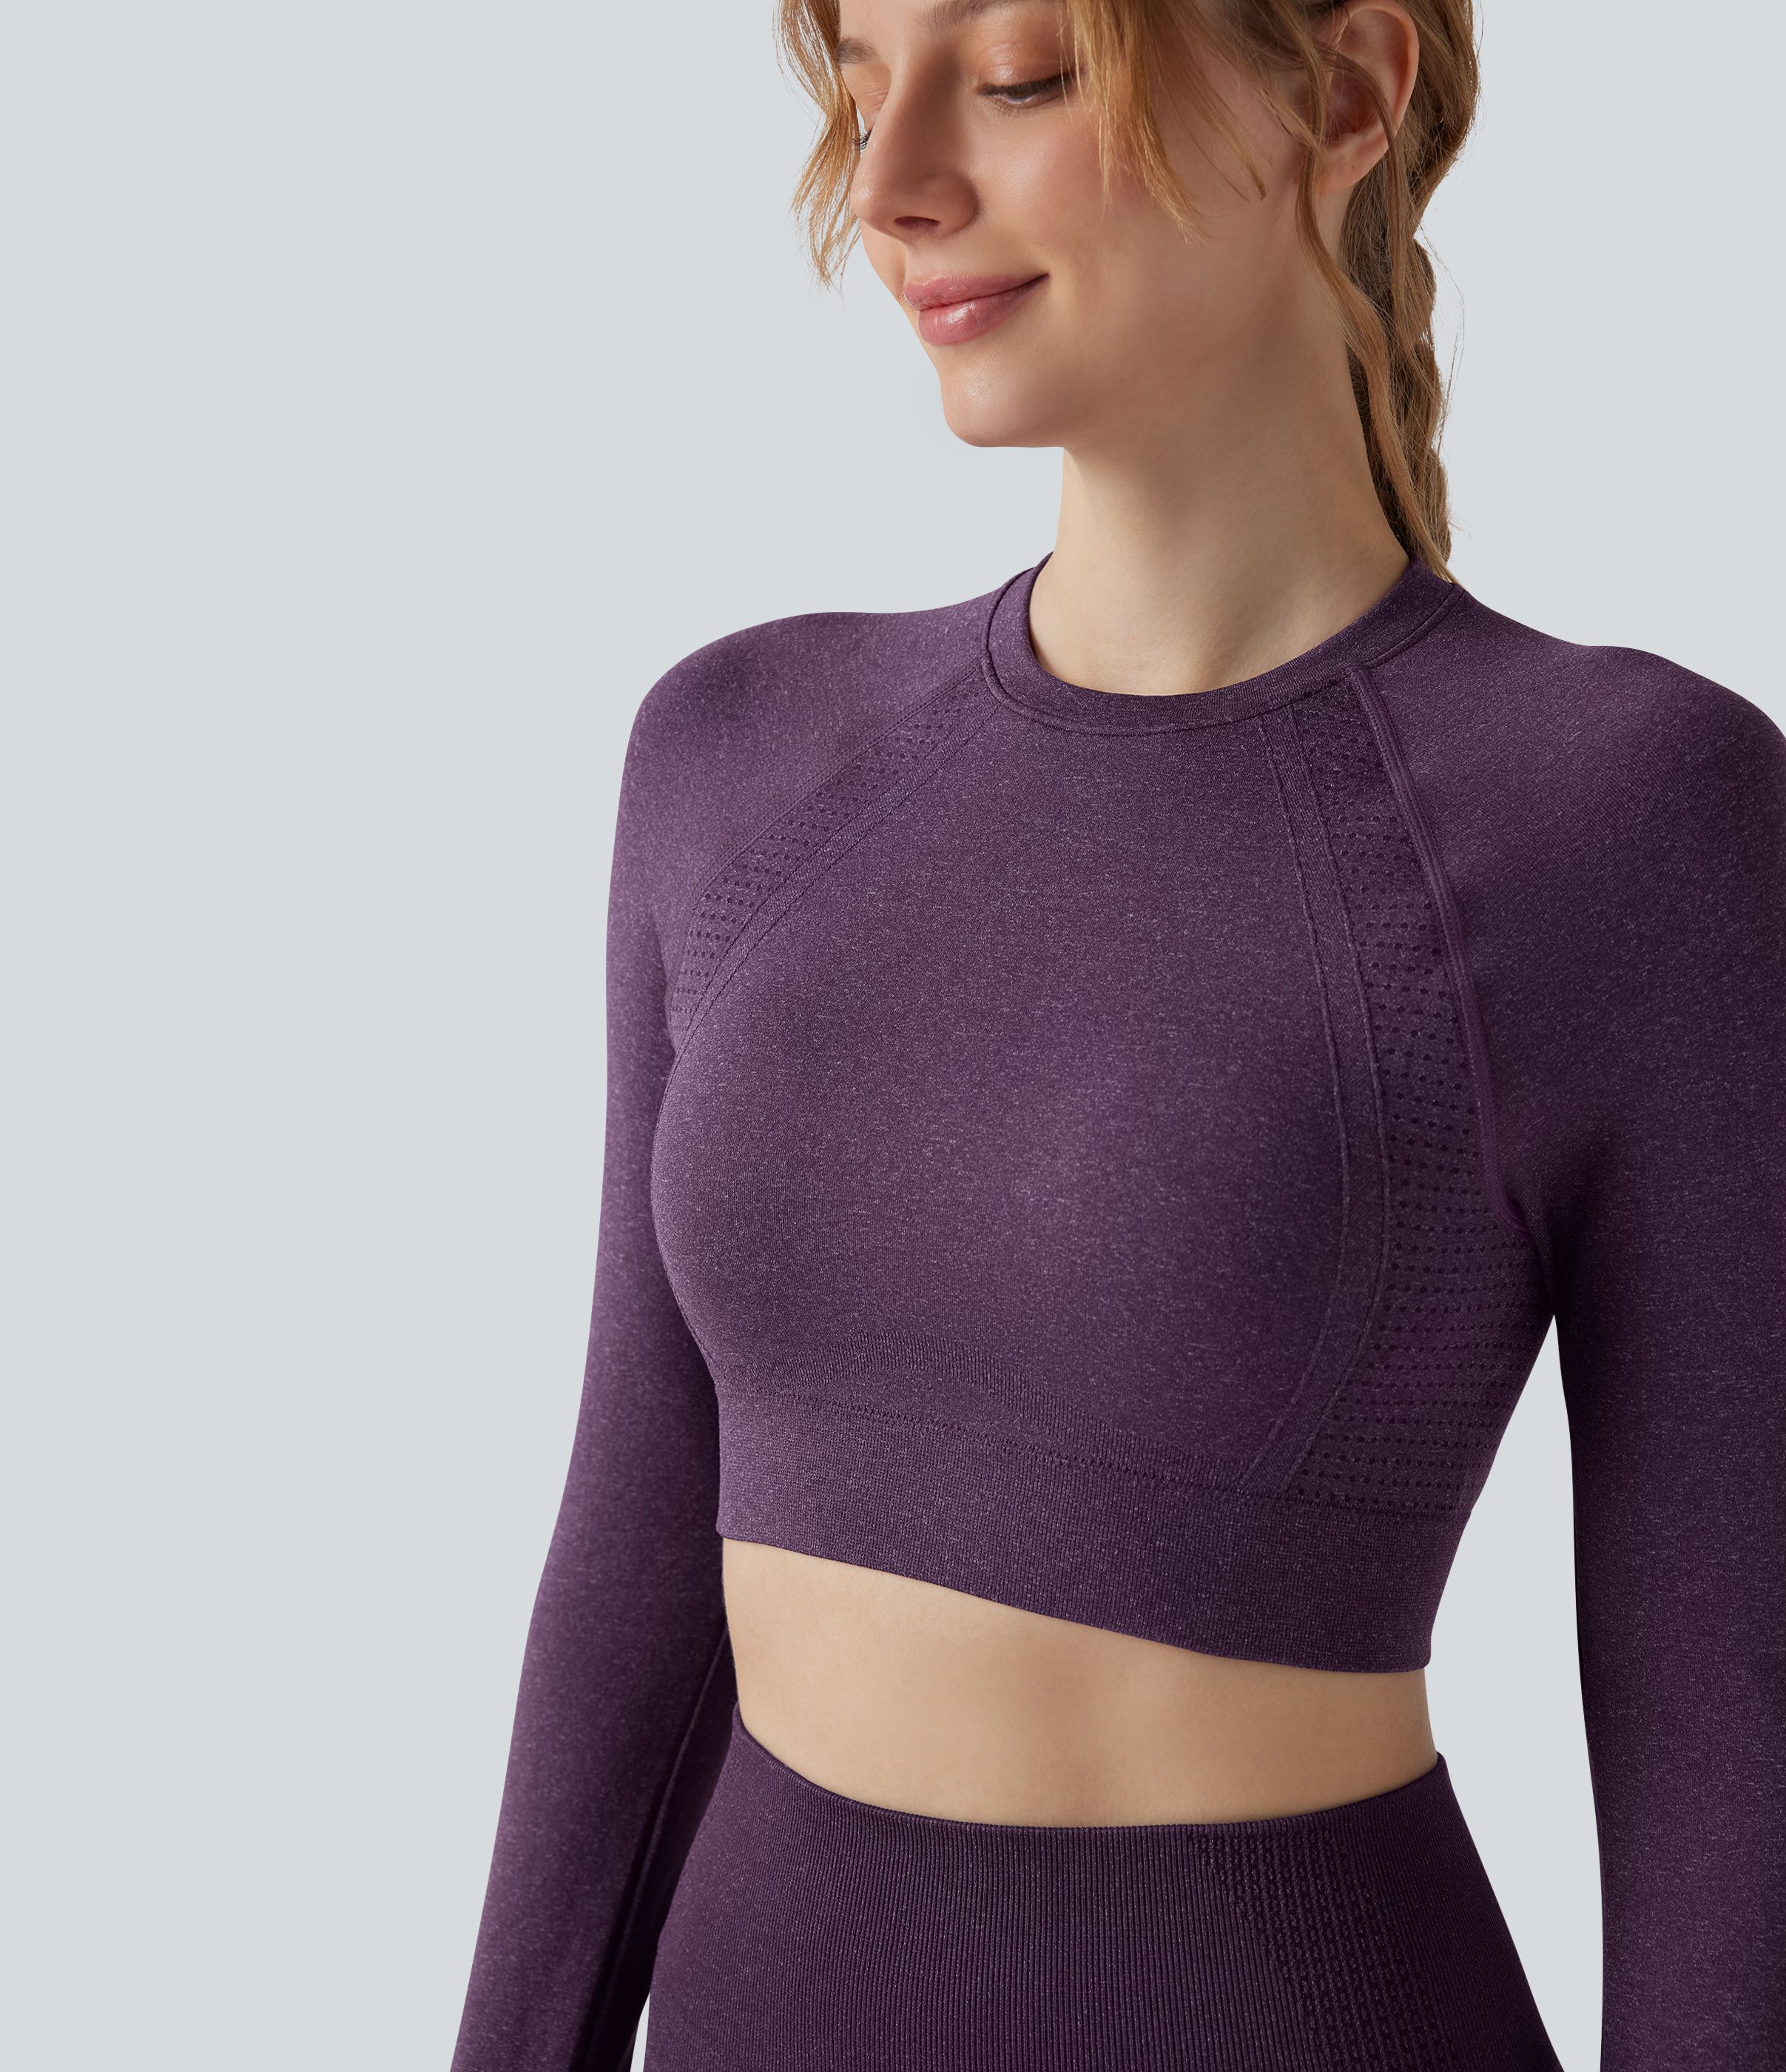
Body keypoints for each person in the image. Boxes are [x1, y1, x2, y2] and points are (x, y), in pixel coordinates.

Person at [448, 1, 1785, 2066]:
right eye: (859, 83)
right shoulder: (738, 754)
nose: (894, 184)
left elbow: (1729, 1728)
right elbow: (633, 1557)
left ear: (1346, 95)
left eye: (1023, 75)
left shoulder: (1627, 809)